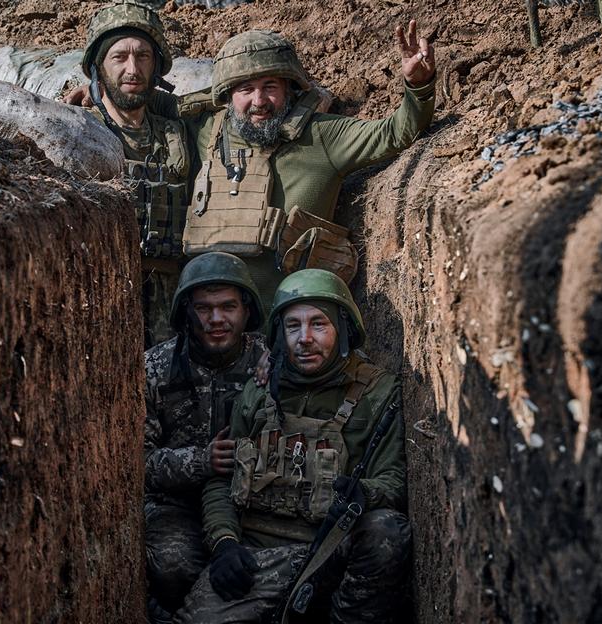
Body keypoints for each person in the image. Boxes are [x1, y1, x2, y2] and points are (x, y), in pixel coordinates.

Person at [175, 269, 409, 624]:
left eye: (319, 325)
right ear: (280, 336)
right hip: (260, 554)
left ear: (342, 329)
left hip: (333, 549)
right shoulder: (259, 389)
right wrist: (224, 543)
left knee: (386, 530)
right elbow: (222, 479)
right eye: (293, 326)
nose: (305, 339)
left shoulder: (378, 394)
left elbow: (394, 479)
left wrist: (363, 492)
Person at [180, 22, 437, 310]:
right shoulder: (205, 132)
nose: (259, 101)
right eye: (246, 89)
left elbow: (394, 133)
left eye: (270, 87)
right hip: (212, 326)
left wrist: (418, 86)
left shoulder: (321, 135)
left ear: (289, 88)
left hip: (291, 327)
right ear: (228, 96)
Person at [143, 252, 269, 621]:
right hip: (175, 505)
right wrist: (201, 461)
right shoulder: (153, 369)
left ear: (247, 310)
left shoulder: (271, 358)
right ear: (186, 312)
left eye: (228, 306)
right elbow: (135, 464)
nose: (216, 319)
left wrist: (281, 361)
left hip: (255, 501)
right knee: (174, 565)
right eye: (204, 308)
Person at [81, 0, 189, 346]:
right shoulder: (82, 132)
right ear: (99, 67)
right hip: (105, 292)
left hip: (173, 299)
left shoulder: (178, 132)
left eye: (143, 56)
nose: (132, 68)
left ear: (156, 66)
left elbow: (230, 104)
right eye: (119, 57)